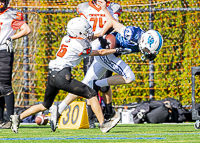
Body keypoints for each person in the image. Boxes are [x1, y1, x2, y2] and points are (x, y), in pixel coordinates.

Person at [10, 17, 128, 133]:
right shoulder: (82, 45)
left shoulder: (67, 38)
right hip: (63, 76)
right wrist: (116, 50)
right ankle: (103, 124)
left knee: (45, 105)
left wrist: (103, 33)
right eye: (86, 30)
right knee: (91, 94)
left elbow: (88, 38)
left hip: (52, 75)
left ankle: (18, 118)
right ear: (79, 32)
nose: (88, 32)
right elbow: (100, 52)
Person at [55, 5, 163, 129]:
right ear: (144, 41)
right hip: (105, 53)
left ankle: (59, 109)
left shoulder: (141, 39)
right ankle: (98, 84)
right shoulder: (132, 35)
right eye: (148, 50)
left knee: (85, 84)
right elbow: (112, 22)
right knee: (129, 77)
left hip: (108, 55)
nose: (147, 53)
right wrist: (101, 34)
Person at [78, 0, 123, 128]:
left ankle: (109, 111)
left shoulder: (113, 6)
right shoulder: (84, 7)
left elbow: (116, 26)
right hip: (91, 49)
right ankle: (91, 117)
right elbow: (81, 28)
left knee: (104, 84)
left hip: (106, 48)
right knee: (90, 84)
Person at [0, 0, 31, 129]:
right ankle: (1, 119)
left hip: (3, 51)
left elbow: (26, 29)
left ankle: (11, 119)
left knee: (5, 86)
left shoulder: (11, 13)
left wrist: (10, 38)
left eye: (2, 0)